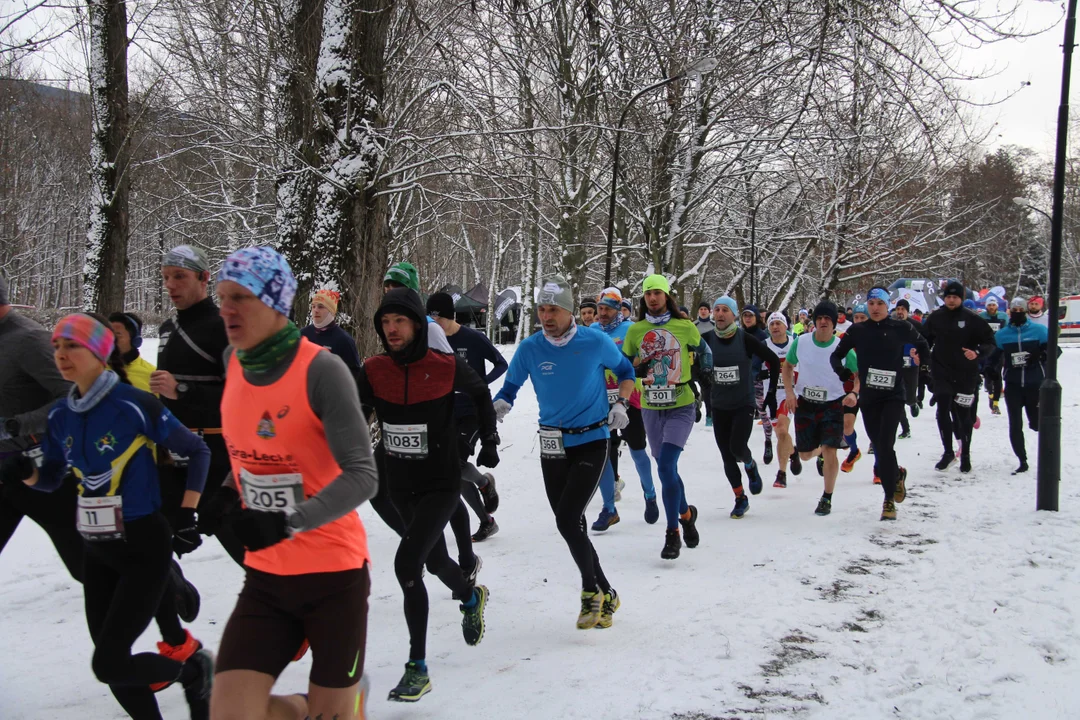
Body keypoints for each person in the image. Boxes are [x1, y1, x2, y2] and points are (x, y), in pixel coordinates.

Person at [0, 312, 213, 720]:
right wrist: (26, 475)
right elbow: (53, 479)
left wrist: (188, 513)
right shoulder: (62, 415)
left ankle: (193, 671)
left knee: (109, 663)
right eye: (57, 346)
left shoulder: (134, 404)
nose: (61, 354)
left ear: (99, 352)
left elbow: (197, 450)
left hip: (142, 547)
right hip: (96, 548)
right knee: (112, 668)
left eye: (72, 346)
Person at [206, 247, 379, 720]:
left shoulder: (322, 370)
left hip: (332, 576)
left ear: (276, 302)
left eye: (239, 297)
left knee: (334, 716)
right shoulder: (232, 360)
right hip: (266, 577)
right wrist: (225, 491)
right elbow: (250, 449)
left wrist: (288, 521)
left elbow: (364, 477)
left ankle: (342, 703)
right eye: (221, 297)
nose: (226, 309)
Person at [356, 286, 496, 703]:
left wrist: (488, 437)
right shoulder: (375, 368)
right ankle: (471, 595)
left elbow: (480, 393)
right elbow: (354, 412)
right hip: (400, 484)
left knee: (406, 564)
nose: (392, 329)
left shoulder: (444, 364)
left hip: (439, 481)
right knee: (434, 563)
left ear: (418, 324)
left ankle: (417, 667)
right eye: (385, 322)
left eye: (399, 321)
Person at [494, 275, 632, 624]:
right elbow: (510, 387)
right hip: (552, 442)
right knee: (570, 524)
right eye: (542, 309)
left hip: (591, 438)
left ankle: (590, 593)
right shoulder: (530, 348)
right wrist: (499, 405)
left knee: (568, 519)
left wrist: (622, 404)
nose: (546, 316)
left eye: (553, 309)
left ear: (570, 311)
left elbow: (626, 370)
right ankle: (607, 591)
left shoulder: (594, 341)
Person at [155, 245, 245, 567]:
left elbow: (240, 398)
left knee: (246, 550)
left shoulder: (223, 327)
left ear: (204, 278)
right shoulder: (167, 330)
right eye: (166, 277)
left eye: (180, 276)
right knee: (153, 547)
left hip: (216, 455)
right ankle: (173, 600)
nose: (171, 285)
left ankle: (289, 604)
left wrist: (182, 390)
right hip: (171, 456)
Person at [0, 273, 83, 582]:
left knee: (88, 565)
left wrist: (16, 425)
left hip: (44, 471)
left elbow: (73, 396)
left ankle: (165, 584)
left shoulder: (29, 339)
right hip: (4, 473)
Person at [622, 274, 702, 560]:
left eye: (657, 293)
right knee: (667, 470)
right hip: (650, 408)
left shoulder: (684, 326)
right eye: (648, 294)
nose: (653, 298)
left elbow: (701, 351)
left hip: (681, 404)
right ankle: (686, 513)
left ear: (667, 296)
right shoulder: (635, 330)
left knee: (667, 465)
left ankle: (672, 533)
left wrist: (705, 384)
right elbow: (626, 364)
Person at [831, 288, 929, 521]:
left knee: (885, 444)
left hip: (894, 395)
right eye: (871, 303)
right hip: (870, 397)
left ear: (888, 306)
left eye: (880, 303)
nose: (875, 307)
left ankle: (887, 500)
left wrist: (923, 365)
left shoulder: (900, 327)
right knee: (880, 445)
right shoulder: (858, 330)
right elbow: (836, 355)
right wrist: (843, 373)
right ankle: (896, 475)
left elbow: (924, 345)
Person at [426, 291, 507, 541]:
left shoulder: (472, 337)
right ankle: (487, 519)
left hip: (472, 410)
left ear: (449, 316)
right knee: (452, 470)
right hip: (445, 410)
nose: (434, 324)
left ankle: (483, 484)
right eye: (430, 318)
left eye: (437, 318)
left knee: (456, 464)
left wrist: (480, 382)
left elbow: (501, 363)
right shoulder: (431, 340)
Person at [700, 297, 779, 518]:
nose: (720, 314)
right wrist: (703, 381)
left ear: (734, 315)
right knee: (726, 456)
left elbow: (773, 361)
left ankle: (750, 463)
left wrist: (771, 393)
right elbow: (692, 361)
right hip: (719, 406)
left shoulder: (746, 339)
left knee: (737, 447)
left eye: (726, 310)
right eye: (717, 310)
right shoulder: (705, 340)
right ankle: (740, 498)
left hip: (743, 404)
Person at [589, 287, 658, 526]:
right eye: (600, 308)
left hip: (630, 399)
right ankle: (609, 508)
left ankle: (649, 494)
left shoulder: (630, 329)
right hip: (600, 400)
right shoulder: (593, 330)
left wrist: (637, 368)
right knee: (603, 452)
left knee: (638, 451)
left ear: (619, 309)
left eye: (608, 308)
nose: (603, 313)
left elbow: (646, 360)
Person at [782, 302, 858, 517]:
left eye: (828, 319)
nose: (823, 322)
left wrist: (854, 393)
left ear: (834, 323)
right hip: (805, 402)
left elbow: (858, 374)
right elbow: (787, 366)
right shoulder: (802, 342)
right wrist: (789, 393)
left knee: (831, 450)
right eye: (819, 318)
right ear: (814, 321)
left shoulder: (842, 348)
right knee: (805, 455)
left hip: (833, 404)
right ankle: (819, 453)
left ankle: (827, 497)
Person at [919, 280, 995, 473]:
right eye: (948, 297)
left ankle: (966, 454)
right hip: (942, 371)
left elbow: (990, 342)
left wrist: (977, 352)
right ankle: (947, 452)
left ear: (961, 298)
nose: (951, 300)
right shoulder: (936, 317)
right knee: (942, 410)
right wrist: (919, 353)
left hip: (965, 374)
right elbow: (923, 339)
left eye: (955, 297)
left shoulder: (972, 319)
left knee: (963, 416)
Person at [995, 297, 1051, 474]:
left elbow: (1054, 351)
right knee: (1015, 423)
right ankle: (1022, 460)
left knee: (1036, 423)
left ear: (1026, 312)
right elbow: (993, 356)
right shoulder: (1002, 335)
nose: (1018, 313)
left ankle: (1047, 455)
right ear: (1010, 312)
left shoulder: (1040, 330)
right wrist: (989, 369)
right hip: (1013, 385)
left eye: (1021, 310)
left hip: (1034, 384)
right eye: (1015, 310)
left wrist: (1041, 356)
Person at [761, 312, 800, 488]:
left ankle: (781, 473)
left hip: (790, 394)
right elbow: (754, 367)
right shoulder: (764, 346)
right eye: (772, 324)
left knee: (783, 429)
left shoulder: (796, 344)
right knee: (780, 434)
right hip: (771, 396)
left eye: (778, 323)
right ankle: (793, 451)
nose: (775, 327)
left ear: (786, 326)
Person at [740, 305, 774, 463]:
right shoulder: (737, 334)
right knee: (741, 414)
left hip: (757, 379)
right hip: (741, 380)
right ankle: (741, 446)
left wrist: (761, 371)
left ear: (756, 318)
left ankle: (768, 441)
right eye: (745, 315)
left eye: (750, 316)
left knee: (763, 412)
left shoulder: (763, 336)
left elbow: (767, 358)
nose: (747, 318)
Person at [300, 288, 362, 372]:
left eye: (321, 307)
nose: (316, 310)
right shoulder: (302, 334)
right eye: (313, 306)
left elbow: (355, 375)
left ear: (331, 311)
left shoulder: (344, 340)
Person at [109, 312, 156, 392]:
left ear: (135, 341)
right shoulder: (95, 369)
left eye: (118, 335)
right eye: (108, 334)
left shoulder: (153, 376)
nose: (111, 339)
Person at [979, 296, 1008, 416]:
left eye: (993, 305)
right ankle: (991, 394)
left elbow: (1007, 330)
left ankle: (995, 402)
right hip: (986, 348)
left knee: (997, 375)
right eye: (989, 305)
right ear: (986, 306)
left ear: (997, 306)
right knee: (987, 373)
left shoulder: (1003, 317)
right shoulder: (982, 317)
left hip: (999, 348)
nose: (991, 307)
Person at [694, 302, 715, 427]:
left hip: (711, 360)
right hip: (696, 361)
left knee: (710, 389)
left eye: (705, 309)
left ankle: (710, 415)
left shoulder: (714, 325)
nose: (703, 311)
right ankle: (696, 407)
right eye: (701, 309)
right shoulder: (693, 326)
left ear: (709, 311)